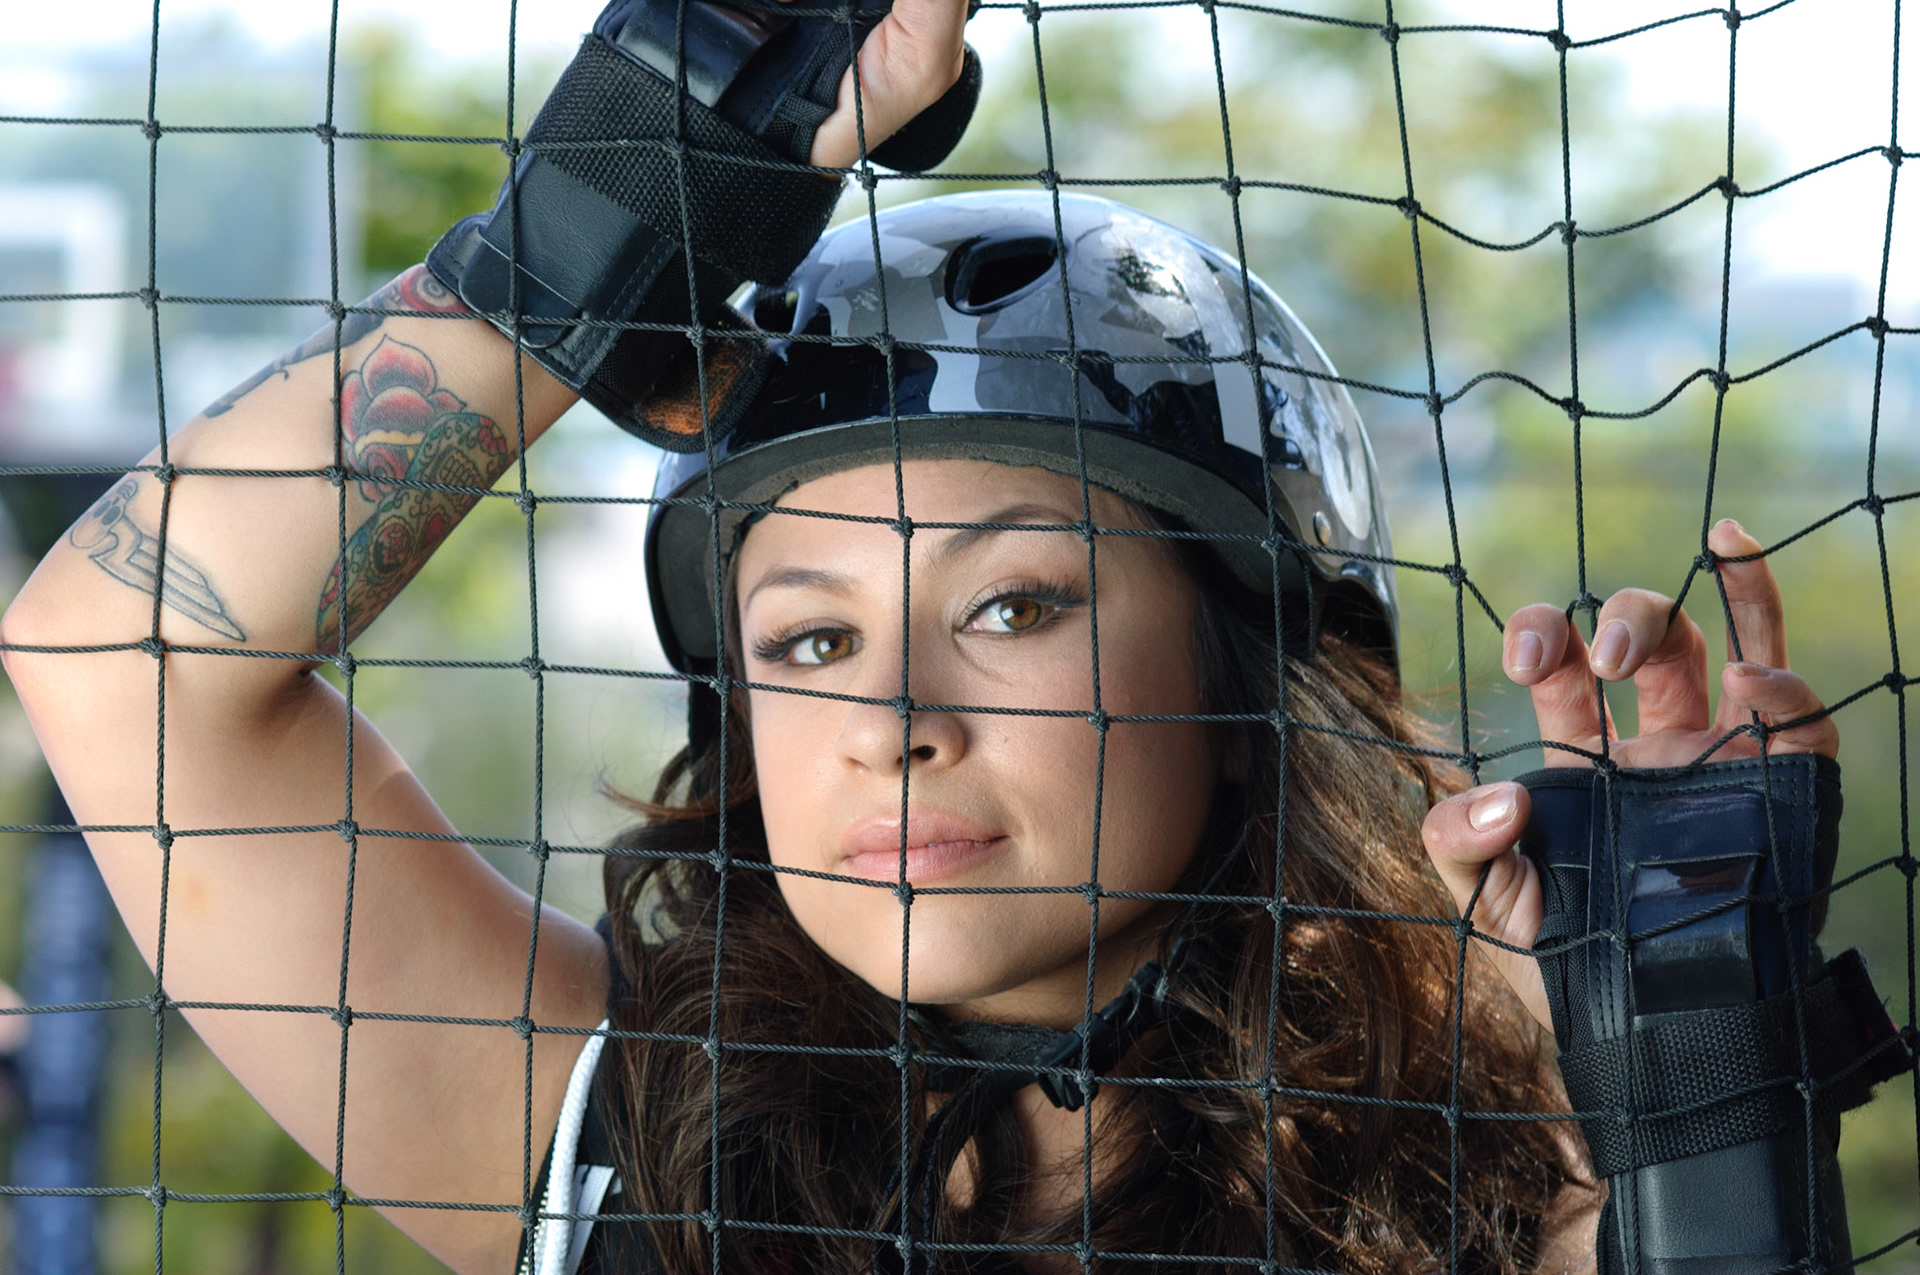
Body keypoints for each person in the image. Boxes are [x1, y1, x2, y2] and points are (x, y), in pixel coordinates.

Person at [0, 0, 1847, 1271]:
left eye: (1012, 605)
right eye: (807, 644)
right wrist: (624, 199)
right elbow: (118, 656)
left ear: (1245, 674)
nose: (892, 719)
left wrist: (1694, 1079)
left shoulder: (1506, 1200)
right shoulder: (628, 1149)